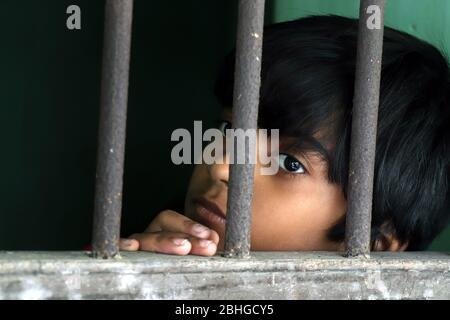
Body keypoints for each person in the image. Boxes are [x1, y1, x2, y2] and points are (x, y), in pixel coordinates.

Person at [118, 15, 450, 256]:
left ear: (374, 241)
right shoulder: (147, 245)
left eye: (288, 162)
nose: (220, 166)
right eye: (229, 130)